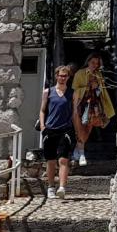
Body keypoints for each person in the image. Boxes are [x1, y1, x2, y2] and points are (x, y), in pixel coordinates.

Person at [39, 65, 78, 200]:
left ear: (68, 77)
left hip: (65, 130)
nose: (62, 78)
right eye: (60, 75)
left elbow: (74, 113)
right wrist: (43, 126)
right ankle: (50, 187)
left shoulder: (72, 93)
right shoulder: (48, 92)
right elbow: (43, 110)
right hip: (50, 129)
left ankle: (61, 187)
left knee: (63, 159)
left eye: (65, 76)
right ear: (56, 76)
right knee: (50, 161)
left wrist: (77, 131)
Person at [72, 52, 116, 167]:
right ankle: (81, 153)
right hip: (80, 105)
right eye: (93, 62)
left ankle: (78, 151)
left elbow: (101, 91)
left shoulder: (98, 74)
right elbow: (75, 90)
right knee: (80, 128)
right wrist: (87, 88)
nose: (95, 65)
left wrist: (97, 88)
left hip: (94, 105)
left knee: (88, 128)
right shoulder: (80, 73)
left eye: (97, 63)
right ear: (88, 61)